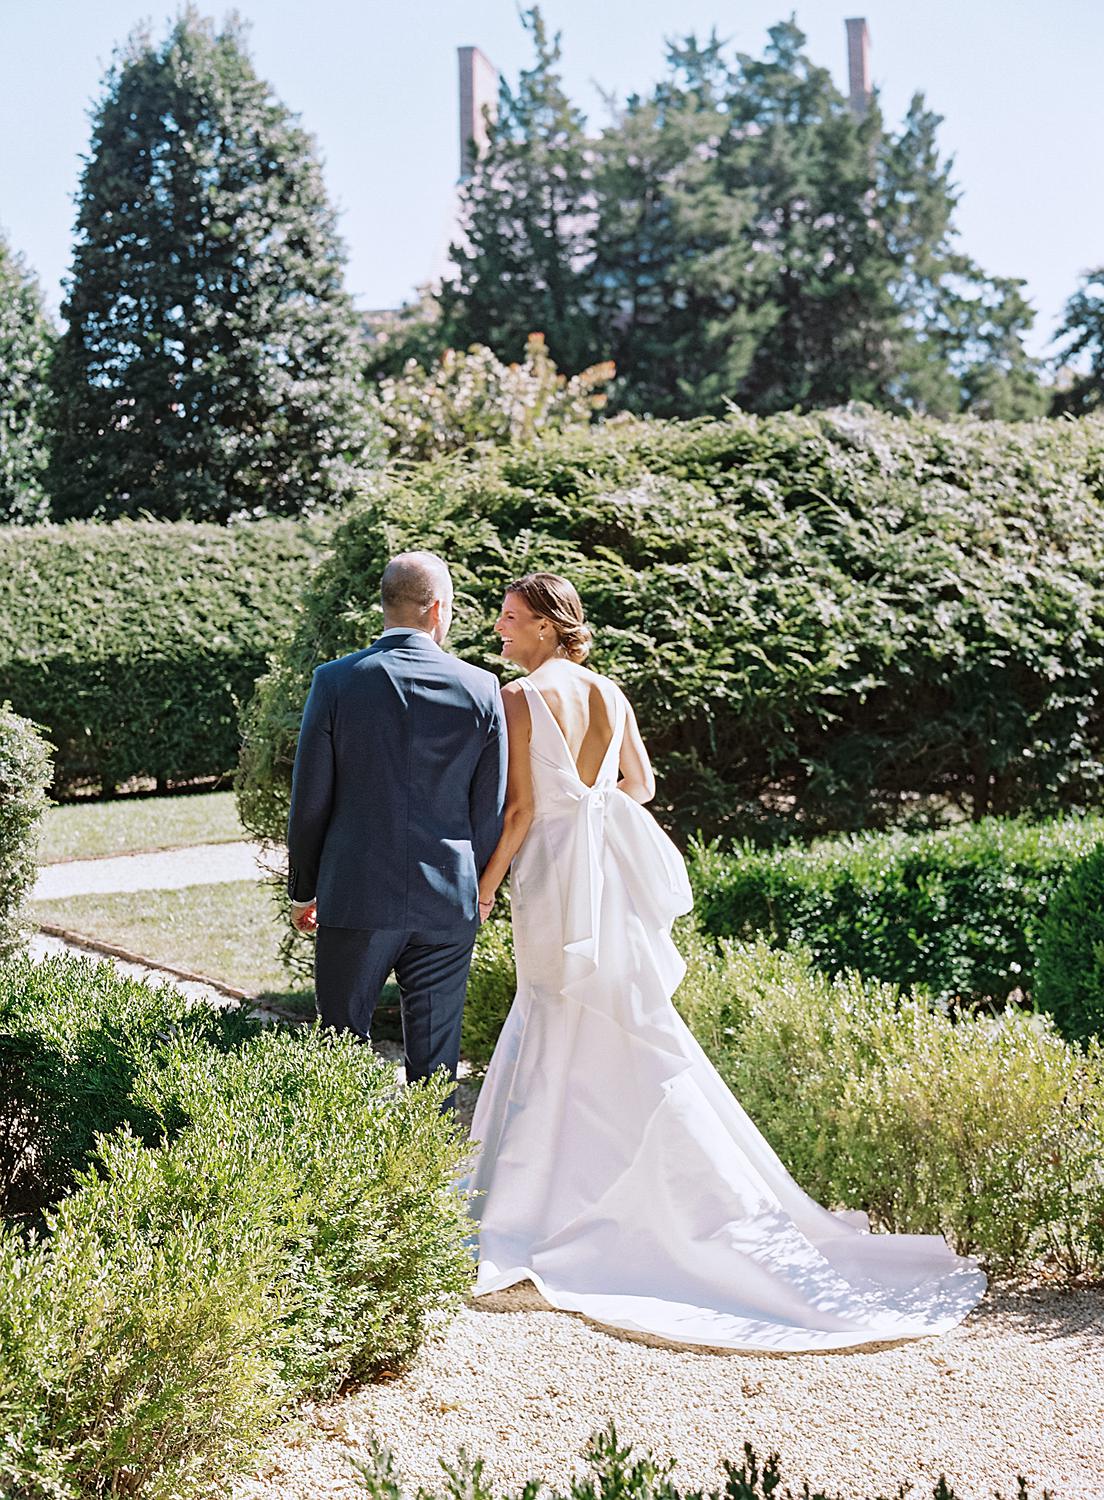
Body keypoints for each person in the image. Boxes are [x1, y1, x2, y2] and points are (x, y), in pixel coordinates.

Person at [463, 571, 986, 1352]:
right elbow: (638, 786)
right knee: (619, 1019)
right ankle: (613, 1185)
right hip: (601, 876)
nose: (499, 628)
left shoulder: (520, 695)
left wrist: (486, 884)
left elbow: (521, 810)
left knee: (553, 1015)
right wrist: (593, 808)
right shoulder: (610, 692)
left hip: (551, 879)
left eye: (510, 618)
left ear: (545, 627)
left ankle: (540, 1199)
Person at [286, 551, 507, 1108]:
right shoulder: (482, 688)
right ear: (437, 609)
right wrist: (477, 887)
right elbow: (489, 808)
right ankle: (424, 1183)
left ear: (386, 605)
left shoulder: (335, 682)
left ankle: (338, 1174)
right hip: (447, 899)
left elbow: (310, 799)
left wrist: (304, 887)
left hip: (355, 890)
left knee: (339, 1050)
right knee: (436, 1067)